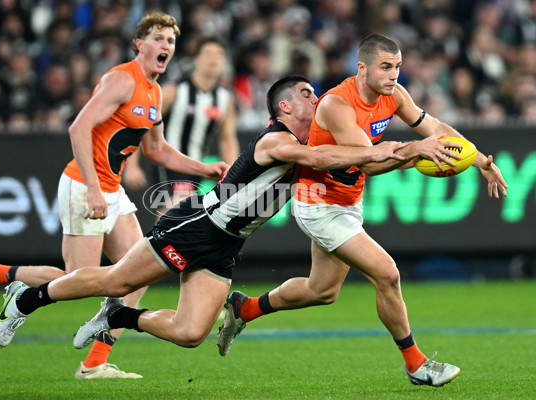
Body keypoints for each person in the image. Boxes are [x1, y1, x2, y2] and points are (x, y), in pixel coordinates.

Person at [0, 75, 441, 371]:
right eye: (305, 94)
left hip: (225, 247)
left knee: (190, 334)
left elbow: (351, 160)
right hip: (196, 226)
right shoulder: (276, 141)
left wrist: (409, 154)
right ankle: (27, 299)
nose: (315, 98)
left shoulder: (314, 139)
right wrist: (404, 148)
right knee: (114, 277)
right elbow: (321, 157)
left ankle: (120, 316)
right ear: (283, 107)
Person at [217, 34, 508, 387]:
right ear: (362, 68)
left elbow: (436, 129)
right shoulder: (336, 105)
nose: (393, 75)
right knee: (387, 274)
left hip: (349, 202)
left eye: (398, 66)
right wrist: (419, 150)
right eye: (385, 67)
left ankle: (243, 308)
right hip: (319, 204)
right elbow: (369, 162)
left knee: (321, 290)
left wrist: (478, 159)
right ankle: (416, 365)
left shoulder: (395, 95)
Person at [0, 12, 229, 380]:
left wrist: (204, 169)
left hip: (111, 191)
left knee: (138, 273)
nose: (166, 46)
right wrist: (95, 188)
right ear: (139, 44)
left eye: (171, 41)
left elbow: (158, 149)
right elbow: (78, 127)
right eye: (159, 38)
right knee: (78, 279)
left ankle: (95, 362)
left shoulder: (155, 90)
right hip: (86, 187)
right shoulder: (121, 78)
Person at [155, 35, 239, 207]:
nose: (213, 59)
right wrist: (132, 165)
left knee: (175, 218)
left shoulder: (225, 99)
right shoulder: (174, 90)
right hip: (169, 163)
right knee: (178, 208)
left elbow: (227, 138)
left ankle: (156, 235)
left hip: (197, 168)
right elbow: (142, 123)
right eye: (208, 53)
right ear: (196, 58)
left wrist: (233, 174)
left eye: (219, 55)